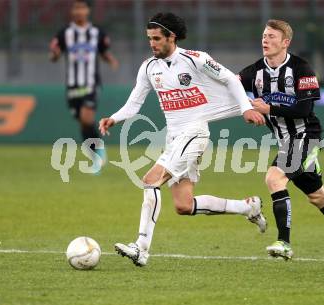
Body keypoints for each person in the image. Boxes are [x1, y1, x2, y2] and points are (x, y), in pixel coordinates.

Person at [99, 12, 267, 267]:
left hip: (195, 132)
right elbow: (134, 103)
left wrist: (245, 108)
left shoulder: (195, 59)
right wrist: (114, 118)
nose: (152, 43)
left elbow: (231, 79)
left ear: (171, 37)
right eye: (149, 39)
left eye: (157, 38)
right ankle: (248, 208)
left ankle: (141, 248)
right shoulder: (149, 68)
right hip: (175, 136)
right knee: (184, 205)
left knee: (150, 180)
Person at [238, 19, 324, 266]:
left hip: (306, 135)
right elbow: (232, 84)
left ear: (285, 42)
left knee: (274, 178)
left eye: (272, 36)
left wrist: (269, 107)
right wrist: (244, 107)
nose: (265, 40)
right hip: (284, 140)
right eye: (264, 35)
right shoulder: (255, 71)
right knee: (317, 196)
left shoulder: (301, 68)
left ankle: (284, 243)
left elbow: (305, 108)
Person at [49, 0, 118, 170]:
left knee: (87, 117)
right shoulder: (64, 33)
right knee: (83, 123)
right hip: (72, 85)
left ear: (88, 10)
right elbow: (54, 56)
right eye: (76, 8)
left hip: (90, 83)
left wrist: (111, 61)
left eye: (82, 7)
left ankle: (99, 154)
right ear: (72, 11)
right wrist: (55, 55)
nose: (79, 11)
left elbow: (104, 52)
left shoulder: (97, 32)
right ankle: (96, 154)